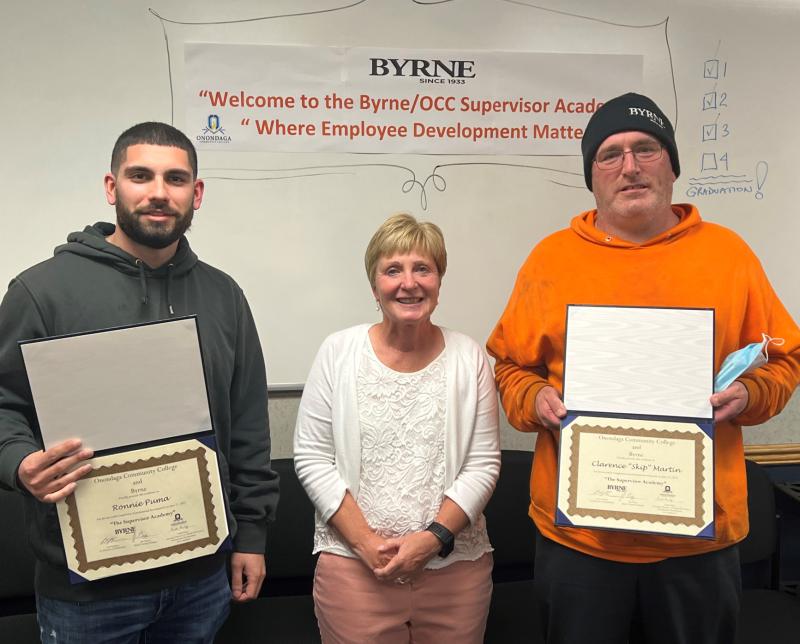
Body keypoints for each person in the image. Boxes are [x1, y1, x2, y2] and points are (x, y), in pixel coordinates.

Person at [487, 93, 800, 644]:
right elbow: (509, 368)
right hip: (580, 542)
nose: (629, 166)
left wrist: (749, 395)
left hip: (698, 545)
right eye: (610, 155)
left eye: (646, 149)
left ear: (672, 165)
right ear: (592, 177)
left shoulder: (730, 257)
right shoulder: (550, 260)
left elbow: (783, 359)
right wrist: (535, 400)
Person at [0, 122, 279, 643]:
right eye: (140, 175)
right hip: (86, 593)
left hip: (201, 581)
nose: (158, 192)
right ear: (112, 188)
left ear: (195, 194)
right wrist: (18, 462)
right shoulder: (42, 292)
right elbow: (4, 403)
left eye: (175, 179)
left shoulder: (224, 297)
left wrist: (254, 535)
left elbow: (247, 427)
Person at [294, 213, 500, 643]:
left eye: (422, 268)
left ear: (439, 282)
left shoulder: (470, 356)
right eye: (393, 270)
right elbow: (313, 457)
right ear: (374, 286)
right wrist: (366, 543)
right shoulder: (338, 352)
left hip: (455, 574)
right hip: (355, 571)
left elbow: (482, 464)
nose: (409, 283)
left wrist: (433, 539)